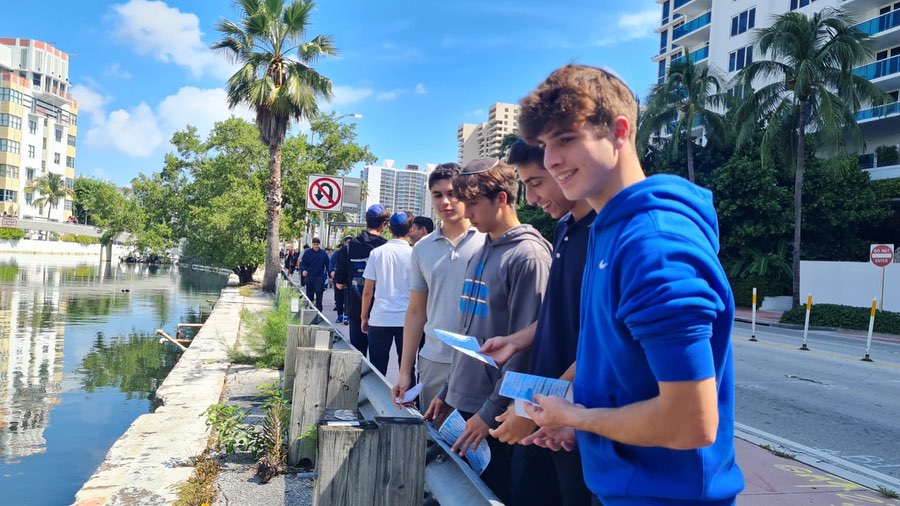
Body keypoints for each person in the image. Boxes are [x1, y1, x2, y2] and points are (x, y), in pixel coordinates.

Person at [516, 64, 744, 505]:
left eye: (566, 139)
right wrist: (575, 421)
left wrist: (581, 419)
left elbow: (690, 422)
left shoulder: (654, 246)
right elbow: (615, 361)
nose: (551, 160)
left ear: (619, 132)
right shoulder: (608, 231)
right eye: (545, 145)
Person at [423, 157, 551, 503]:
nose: (465, 210)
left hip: (496, 414)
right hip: (465, 405)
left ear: (502, 199)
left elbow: (527, 348)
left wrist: (489, 411)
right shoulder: (482, 251)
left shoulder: (529, 256)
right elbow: (470, 335)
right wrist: (449, 391)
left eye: (473, 202)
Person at [480, 139, 595, 506]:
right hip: (548, 406)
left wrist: (533, 408)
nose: (530, 198)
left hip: (575, 412)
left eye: (536, 182)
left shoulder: (604, 236)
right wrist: (518, 340)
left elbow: (600, 342)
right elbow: (558, 314)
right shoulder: (563, 229)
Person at [391, 163, 484, 412]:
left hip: (480, 361)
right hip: (434, 359)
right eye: (438, 194)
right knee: (435, 441)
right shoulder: (421, 249)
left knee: (476, 446)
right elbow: (415, 312)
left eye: (452, 193)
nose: (446, 201)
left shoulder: (488, 241)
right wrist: (404, 371)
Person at [360, 211, 414, 375]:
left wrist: (364, 316)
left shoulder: (377, 253)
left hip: (380, 317)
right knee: (407, 369)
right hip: (407, 320)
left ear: (389, 229)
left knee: (377, 368)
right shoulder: (415, 254)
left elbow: (368, 291)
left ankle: (376, 400)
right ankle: (408, 401)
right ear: (410, 231)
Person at [334, 205, 390, 356]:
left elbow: (339, 283)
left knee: (358, 359)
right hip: (382, 313)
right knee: (379, 365)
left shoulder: (348, 247)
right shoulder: (387, 247)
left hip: (355, 310)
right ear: (384, 224)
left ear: (366, 221)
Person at [299, 238, 329, 311]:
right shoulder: (307, 253)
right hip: (310, 276)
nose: (316, 246)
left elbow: (328, 265)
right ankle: (310, 310)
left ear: (319, 245)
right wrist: (303, 270)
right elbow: (302, 264)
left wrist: (329, 276)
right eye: (314, 244)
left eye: (317, 245)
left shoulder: (323, 254)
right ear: (312, 244)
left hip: (319, 277)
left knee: (319, 293)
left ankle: (319, 311)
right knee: (309, 294)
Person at [330, 236, 352, 324]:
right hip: (338, 278)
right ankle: (339, 315)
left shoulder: (354, 253)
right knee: (338, 298)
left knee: (348, 298)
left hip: (349, 280)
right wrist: (332, 271)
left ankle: (347, 316)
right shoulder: (338, 253)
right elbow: (331, 263)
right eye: (347, 242)